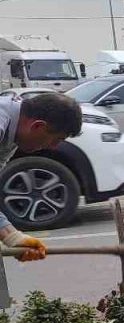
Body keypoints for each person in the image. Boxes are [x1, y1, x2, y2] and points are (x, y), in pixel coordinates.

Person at [0, 93, 83, 261]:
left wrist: (12, 237)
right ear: (37, 126)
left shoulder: (12, 135)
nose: (52, 147)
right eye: (56, 140)